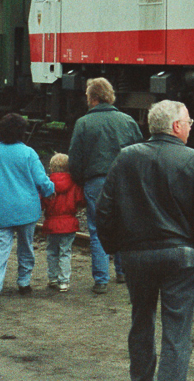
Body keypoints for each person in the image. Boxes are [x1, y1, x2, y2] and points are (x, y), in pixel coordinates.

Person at [96, 100, 194, 381]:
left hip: (136, 256)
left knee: (141, 322)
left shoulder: (125, 158)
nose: (191, 127)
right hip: (181, 258)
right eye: (188, 122)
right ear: (177, 126)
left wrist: (116, 248)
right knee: (177, 331)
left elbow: (104, 210)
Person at [68, 77, 143, 293]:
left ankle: (101, 279)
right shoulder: (127, 121)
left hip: (96, 181)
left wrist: (80, 179)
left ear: (92, 98)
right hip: (123, 180)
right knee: (122, 225)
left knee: (97, 228)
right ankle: (122, 272)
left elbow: (76, 158)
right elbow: (139, 151)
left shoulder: (83, 123)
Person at [0, 113, 54, 305]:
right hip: (27, 209)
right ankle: (24, 283)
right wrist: (51, 190)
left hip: (1, 209)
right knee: (26, 247)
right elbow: (42, 181)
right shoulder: (29, 153)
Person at [42, 152, 84, 292]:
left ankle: (53, 278)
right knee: (65, 252)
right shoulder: (74, 183)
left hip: (52, 223)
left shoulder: (47, 183)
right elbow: (80, 200)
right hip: (69, 223)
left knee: (52, 251)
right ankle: (64, 281)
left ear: (51, 168)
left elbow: (42, 202)